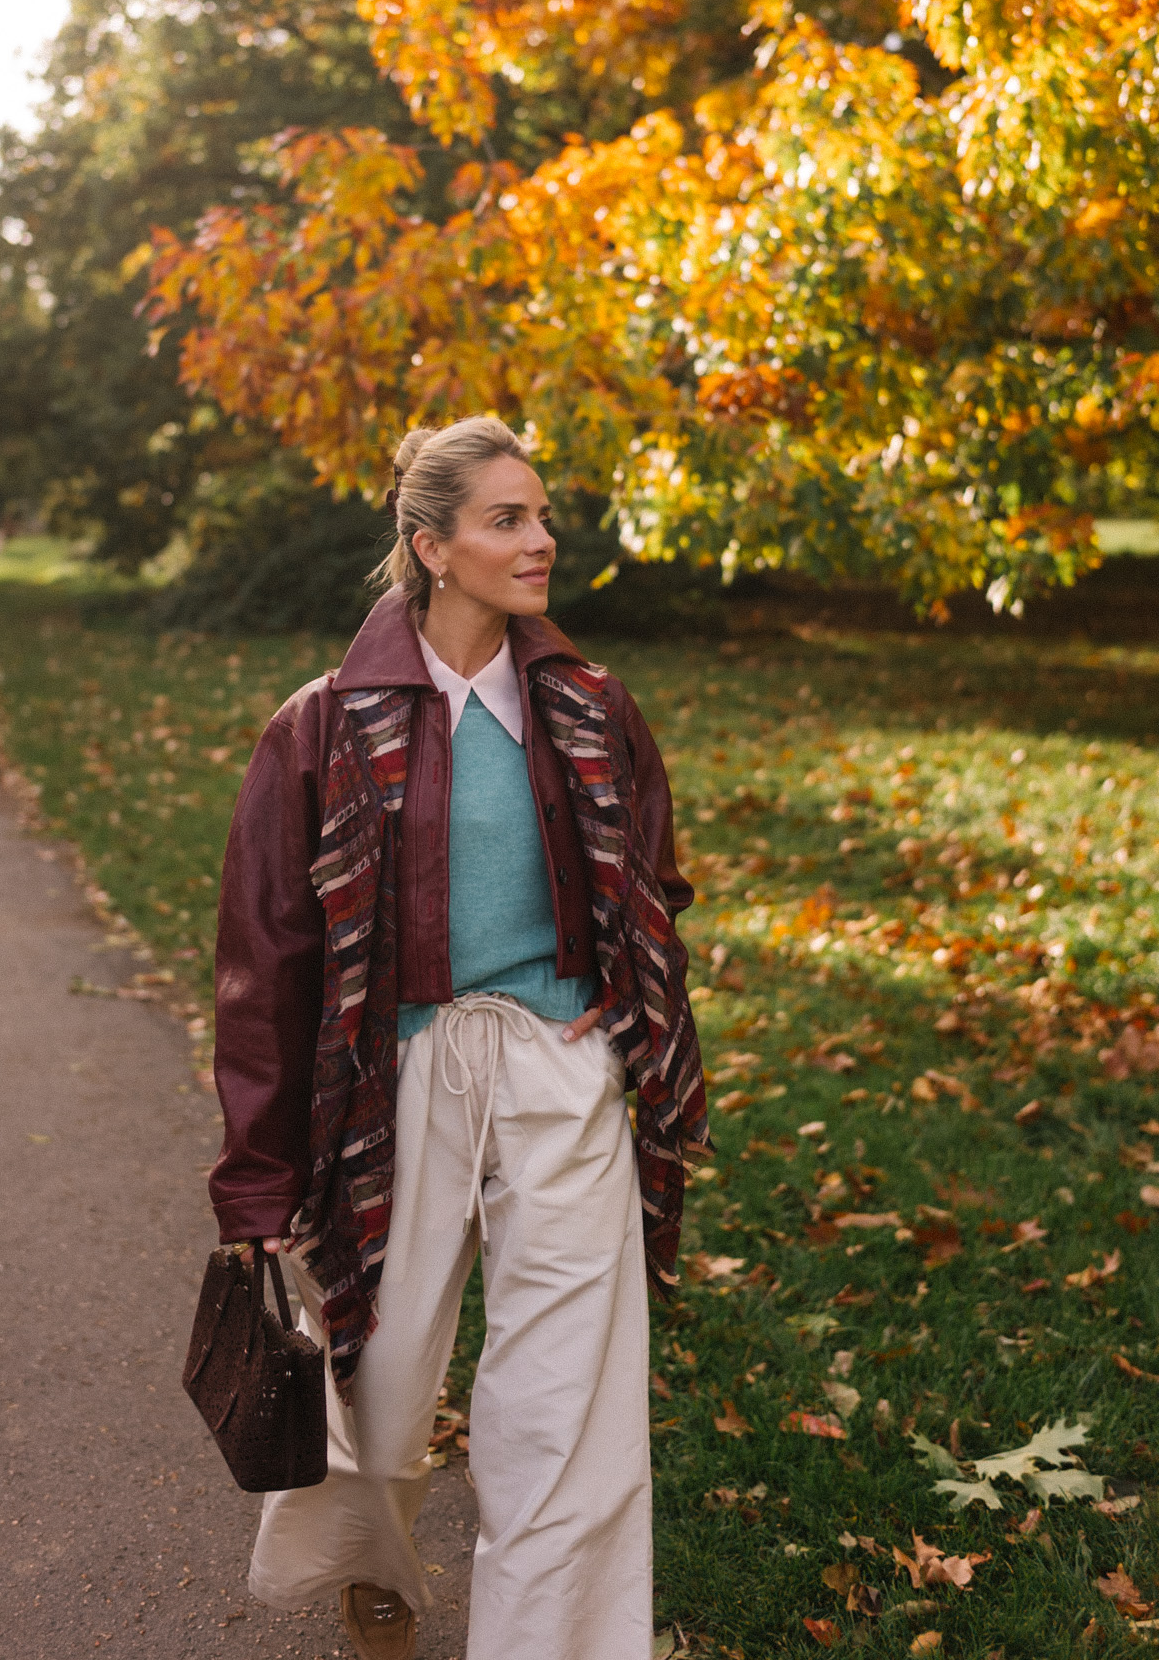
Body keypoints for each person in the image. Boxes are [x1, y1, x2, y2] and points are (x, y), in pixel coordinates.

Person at [208, 417, 712, 1660]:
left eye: (541, 516)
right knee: (376, 1395)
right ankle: (372, 1565)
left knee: (568, 1412)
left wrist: (618, 1000)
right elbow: (265, 960)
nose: (541, 540)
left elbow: (649, 882)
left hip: (560, 1069)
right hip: (396, 1078)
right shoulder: (322, 727)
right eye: (507, 521)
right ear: (431, 547)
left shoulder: (590, 706)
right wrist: (258, 1179)